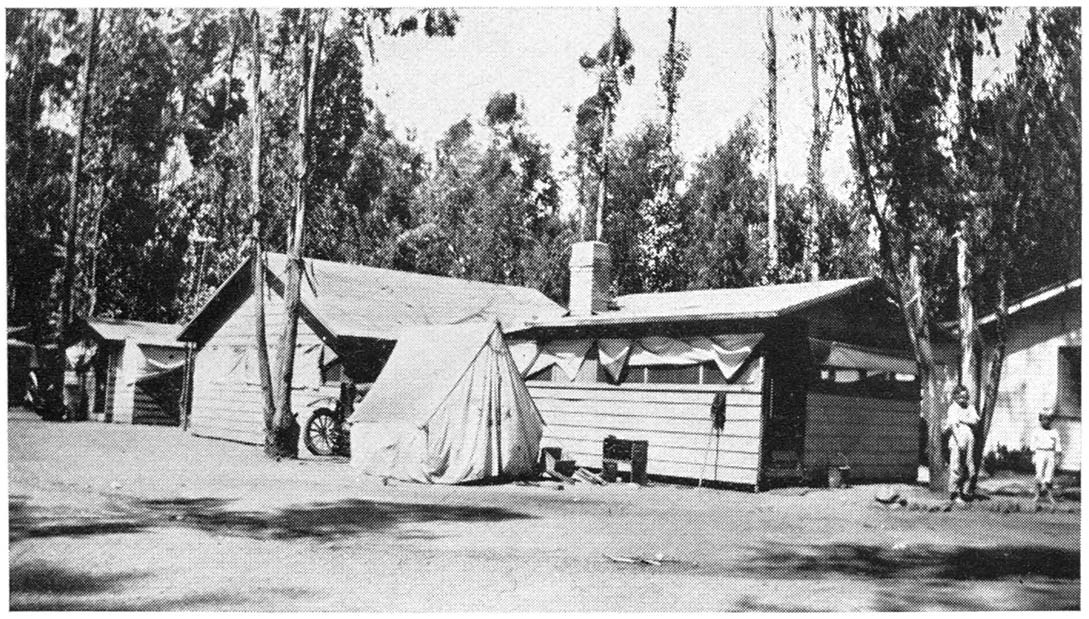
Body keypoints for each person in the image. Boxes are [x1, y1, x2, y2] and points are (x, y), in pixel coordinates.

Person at [942, 385, 980, 503]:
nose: (963, 399)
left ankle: (965, 492)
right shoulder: (953, 408)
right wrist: (959, 442)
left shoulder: (970, 408)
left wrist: (962, 420)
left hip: (969, 438)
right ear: (955, 397)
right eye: (960, 397)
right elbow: (953, 426)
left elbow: (975, 421)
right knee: (956, 466)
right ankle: (955, 493)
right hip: (957, 439)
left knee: (969, 466)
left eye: (965, 397)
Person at [1031, 408, 1062, 504]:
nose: (1046, 421)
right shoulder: (1036, 431)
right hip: (1040, 453)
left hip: (1050, 453)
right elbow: (1033, 444)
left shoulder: (1054, 432)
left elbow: (1058, 445)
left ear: (1051, 420)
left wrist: (1057, 458)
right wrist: (1033, 455)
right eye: (1044, 419)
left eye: (1049, 419)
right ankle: (1037, 496)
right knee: (1039, 474)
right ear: (1040, 419)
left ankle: (1050, 497)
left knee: (1049, 475)